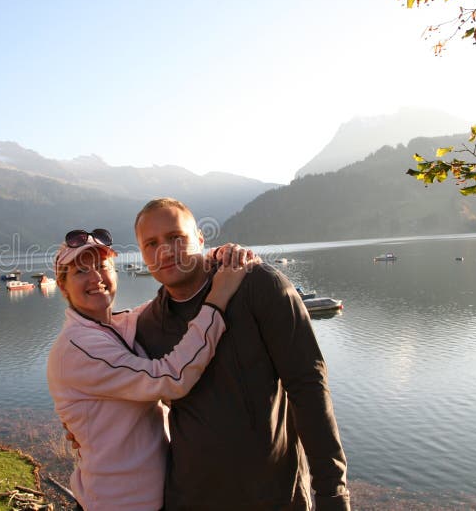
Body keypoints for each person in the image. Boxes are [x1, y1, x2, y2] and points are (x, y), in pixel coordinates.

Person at [134, 198, 350, 511]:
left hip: (274, 497)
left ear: (201, 239)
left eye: (176, 238)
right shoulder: (148, 325)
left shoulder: (259, 286)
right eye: (151, 243)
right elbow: (125, 391)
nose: (164, 251)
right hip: (189, 499)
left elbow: (309, 386)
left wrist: (332, 491)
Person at [46, 228, 255, 511]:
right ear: (63, 286)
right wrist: (220, 297)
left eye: (103, 267)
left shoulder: (115, 327)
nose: (96, 278)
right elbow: (172, 377)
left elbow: (168, 301)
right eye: (81, 271)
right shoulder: (78, 346)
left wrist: (213, 259)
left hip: (154, 496)